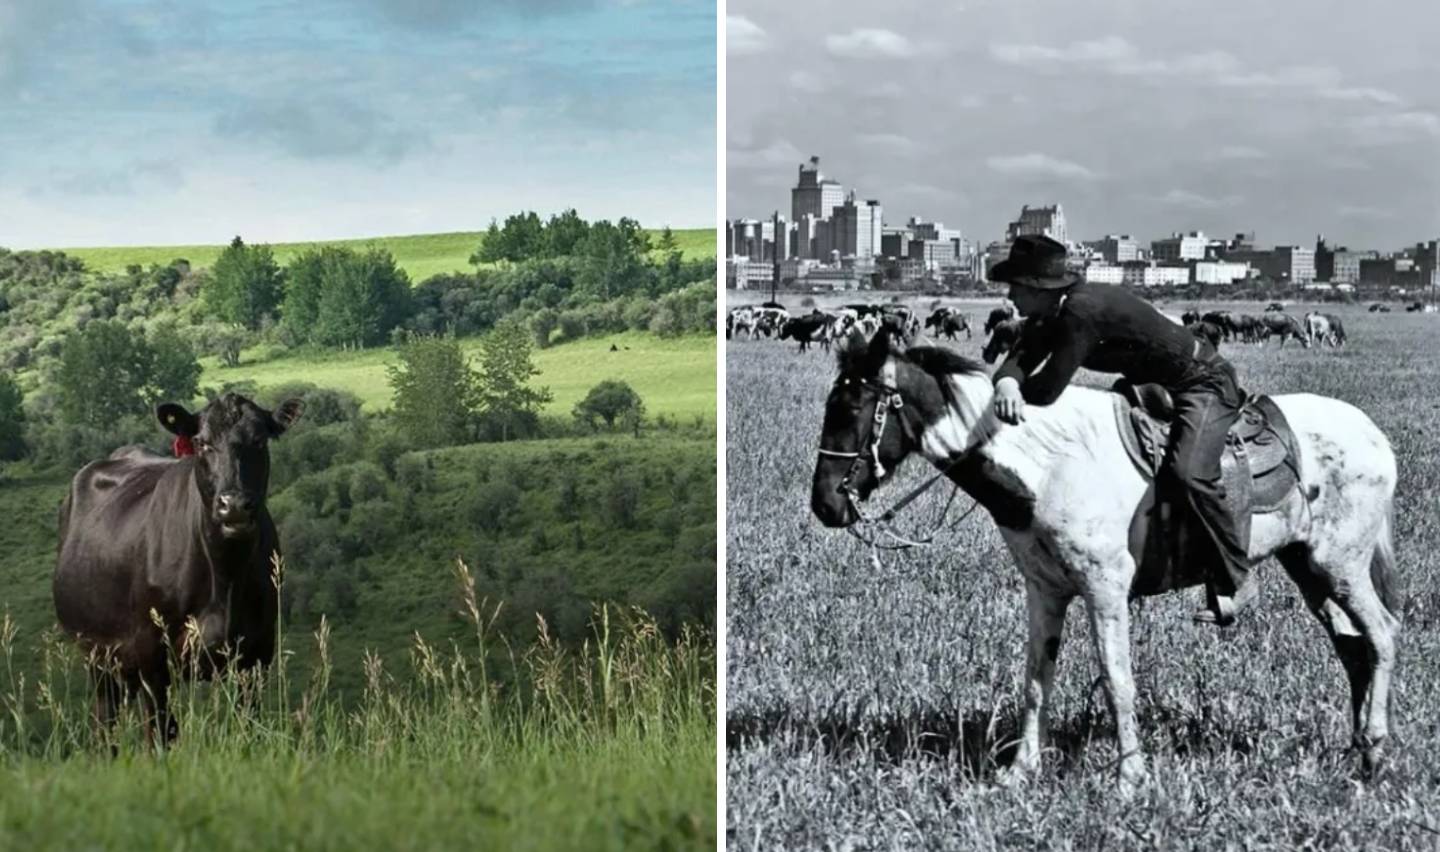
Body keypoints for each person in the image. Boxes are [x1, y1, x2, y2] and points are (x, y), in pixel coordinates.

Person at [986, 234, 1255, 625]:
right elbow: (1022, 357)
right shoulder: (1051, 311)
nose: (1010, 295)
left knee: (1190, 473)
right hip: (1151, 384)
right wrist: (1007, 382)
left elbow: (1048, 388)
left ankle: (1238, 578)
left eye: (1015, 286)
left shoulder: (1081, 312)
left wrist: (1015, 385)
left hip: (1202, 382)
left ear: (1037, 288)